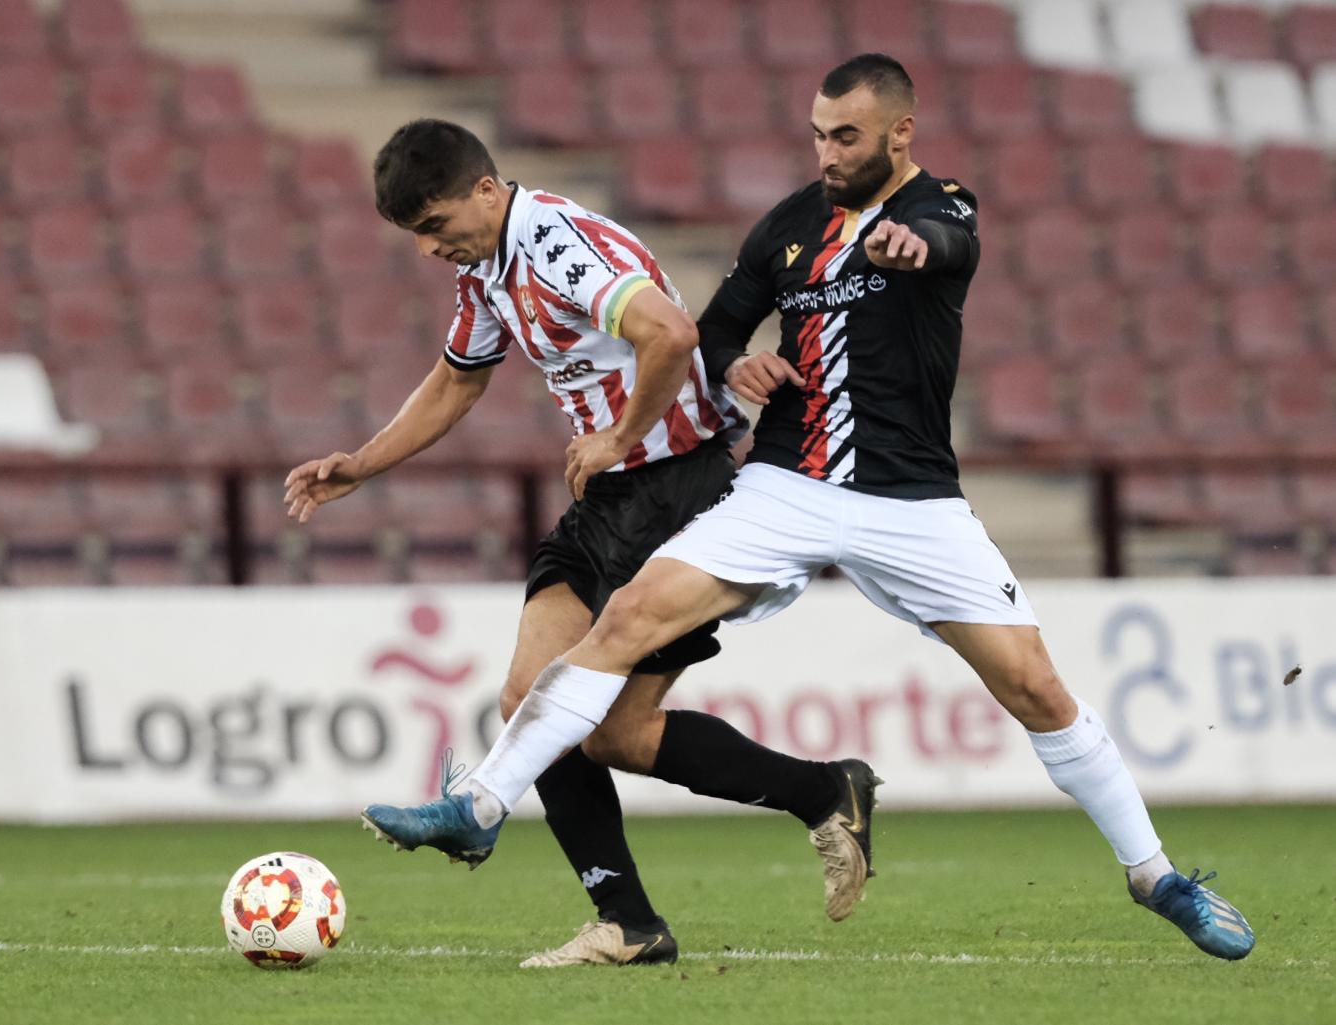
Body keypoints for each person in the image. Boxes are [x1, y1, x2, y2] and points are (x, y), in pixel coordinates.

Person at [371, 56, 1256, 963]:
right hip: (786, 483)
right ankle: (479, 805)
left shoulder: (939, 208)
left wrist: (916, 250)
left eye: (847, 137)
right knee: (630, 614)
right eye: (818, 135)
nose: (828, 154)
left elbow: (954, 245)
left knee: (1035, 686)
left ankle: (1157, 877)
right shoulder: (790, 227)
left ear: (900, 134)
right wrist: (737, 363)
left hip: (913, 499)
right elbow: (708, 327)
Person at [285, 119, 881, 969]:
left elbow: (670, 334)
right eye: (415, 233)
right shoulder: (486, 269)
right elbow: (459, 376)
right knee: (534, 706)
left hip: (675, 488)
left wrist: (618, 435)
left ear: (485, 192)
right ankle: (631, 921)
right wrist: (362, 465)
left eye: (434, 224)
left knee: (609, 729)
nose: (427, 248)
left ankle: (819, 791)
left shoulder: (558, 243)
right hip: (605, 500)